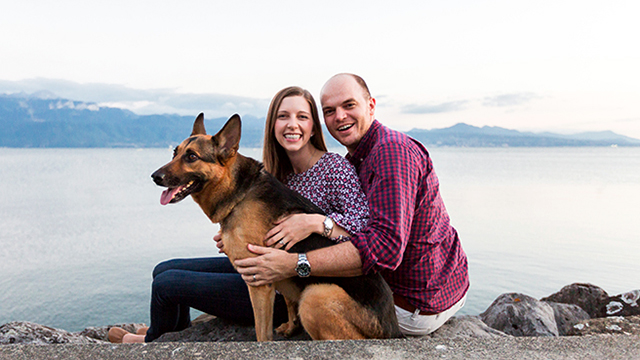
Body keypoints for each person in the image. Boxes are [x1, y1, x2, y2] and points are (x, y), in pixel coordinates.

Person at [108, 86, 370, 343]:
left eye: (302, 117)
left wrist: (315, 223)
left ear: (314, 126)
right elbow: (259, 227)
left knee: (167, 284)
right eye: (283, 116)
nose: (292, 124)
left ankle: (151, 343)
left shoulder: (334, 167)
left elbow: (364, 233)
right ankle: (171, 334)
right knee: (163, 270)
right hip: (273, 269)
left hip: (296, 283)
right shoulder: (275, 172)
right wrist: (233, 238)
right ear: (272, 125)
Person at [233, 74, 469, 336]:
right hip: (394, 287)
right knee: (200, 269)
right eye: (330, 111)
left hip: (409, 303)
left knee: (207, 282)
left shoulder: (391, 154)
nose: (340, 116)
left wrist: (294, 261)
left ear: (371, 105)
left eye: (349, 105)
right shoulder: (358, 157)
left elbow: (385, 249)